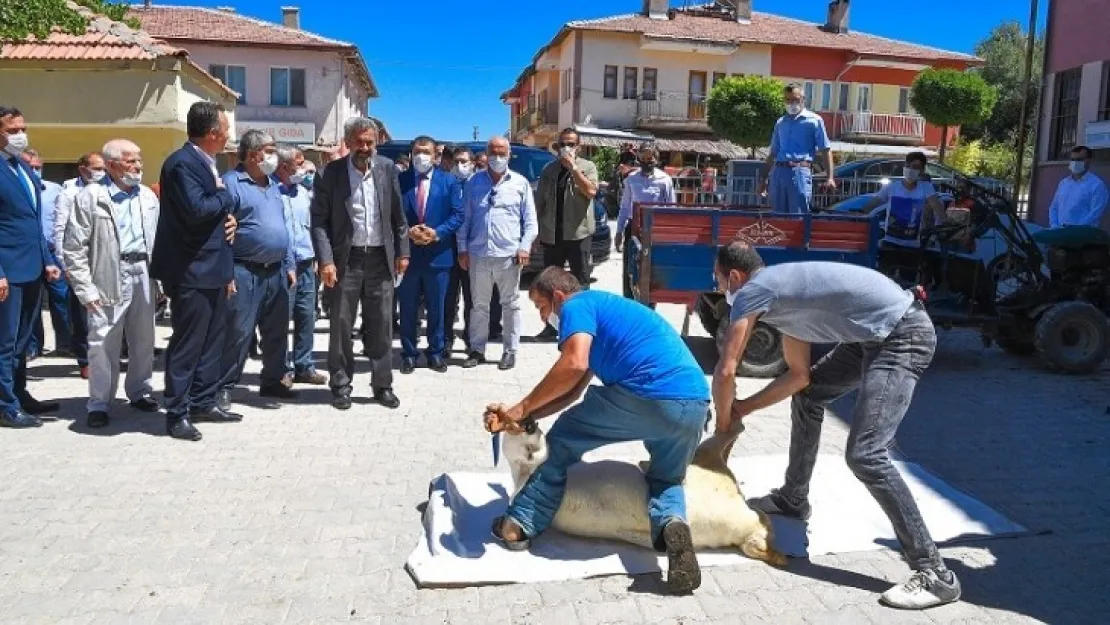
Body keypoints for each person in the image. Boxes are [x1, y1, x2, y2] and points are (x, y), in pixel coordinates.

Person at [711, 241, 960, 610]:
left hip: (901, 335)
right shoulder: (782, 298)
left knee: (866, 455)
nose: (718, 290)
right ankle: (793, 499)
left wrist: (722, 429)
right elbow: (799, 379)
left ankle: (936, 574)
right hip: (872, 335)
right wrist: (742, 410)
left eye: (718, 281)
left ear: (735, 276)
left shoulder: (753, 291)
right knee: (809, 399)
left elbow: (727, 368)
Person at [484, 267, 710, 595]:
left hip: (647, 394)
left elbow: (573, 364)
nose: (543, 316)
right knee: (666, 479)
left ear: (558, 296)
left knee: (560, 443)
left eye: (541, 307)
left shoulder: (578, 306)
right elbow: (572, 390)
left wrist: (520, 407)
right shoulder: (607, 314)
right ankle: (673, 524)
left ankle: (517, 525)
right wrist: (527, 417)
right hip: (694, 405)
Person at [151, 101, 240, 442]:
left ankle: (204, 401)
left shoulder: (206, 162)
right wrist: (226, 199)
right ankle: (177, 412)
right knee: (188, 343)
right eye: (225, 130)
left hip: (215, 268)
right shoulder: (182, 164)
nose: (228, 135)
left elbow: (212, 215)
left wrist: (227, 218)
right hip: (191, 270)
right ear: (212, 133)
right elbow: (197, 210)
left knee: (213, 340)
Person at [311, 116, 409, 411]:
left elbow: (398, 218)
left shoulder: (387, 169)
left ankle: (382, 385)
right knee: (341, 323)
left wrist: (402, 252)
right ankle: (341, 385)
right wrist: (326, 260)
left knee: (381, 324)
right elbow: (319, 222)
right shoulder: (331, 173)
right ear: (349, 142)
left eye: (370, 142)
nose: (365, 147)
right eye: (359, 142)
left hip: (380, 257)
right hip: (346, 260)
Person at [63, 139, 160, 429]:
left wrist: (163, 282)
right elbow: (74, 247)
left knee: (144, 338)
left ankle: (140, 391)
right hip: (108, 272)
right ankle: (100, 402)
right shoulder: (91, 196)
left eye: (139, 160)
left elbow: (159, 239)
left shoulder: (147, 196)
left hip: (144, 270)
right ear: (112, 164)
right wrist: (85, 288)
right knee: (103, 341)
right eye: (131, 161)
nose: (138, 166)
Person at [214, 130, 299, 410]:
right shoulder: (230, 184)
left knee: (276, 331)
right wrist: (226, 273)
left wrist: (289, 264)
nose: (275, 156)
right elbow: (220, 233)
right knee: (239, 331)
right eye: (270, 150)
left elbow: (282, 227)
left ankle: (273, 380)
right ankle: (224, 387)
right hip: (244, 270)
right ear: (253, 155)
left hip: (276, 271)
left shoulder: (274, 185)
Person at [0, 105, 63, 428]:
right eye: (12, 130)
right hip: (8, 271)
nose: (20, 135)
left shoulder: (21, 168)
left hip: (32, 267)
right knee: (5, 341)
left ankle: (19, 394)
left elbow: (32, 220)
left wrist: (48, 261)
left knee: (23, 340)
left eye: (22, 128)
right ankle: (5, 405)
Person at [457, 137, 537, 371]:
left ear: (509, 155)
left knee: (510, 304)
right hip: (478, 254)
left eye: (502, 153)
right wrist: (462, 248)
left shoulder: (520, 184)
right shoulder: (473, 183)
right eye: (493, 152)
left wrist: (524, 246)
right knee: (478, 305)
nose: (497, 157)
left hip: (509, 256)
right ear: (486, 153)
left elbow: (530, 222)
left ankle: (510, 350)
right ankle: (477, 349)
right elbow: (465, 220)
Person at [397, 136, 464, 373]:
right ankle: (408, 352)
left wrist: (436, 233)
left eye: (426, 152)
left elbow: (458, 215)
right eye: (416, 151)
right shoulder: (399, 180)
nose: (420, 156)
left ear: (436, 155)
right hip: (408, 256)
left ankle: (435, 352)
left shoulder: (449, 182)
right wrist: (409, 232)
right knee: (408, 307)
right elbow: (392, 214)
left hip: (439, 255)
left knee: (438, 307)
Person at [533, 128, 599, 342]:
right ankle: (551, 327)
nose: (566, 148)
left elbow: (590, 191)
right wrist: (535, 234)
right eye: (562, 144)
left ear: (578, 146)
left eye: (570, 144)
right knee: (550, 283)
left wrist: (573, 169)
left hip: (578, 234)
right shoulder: (549, 170)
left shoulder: (588, 167)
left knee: (580, 282)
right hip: (552, 235)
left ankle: (583, 328)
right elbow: (539, 203)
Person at [22, 149, 82, 370]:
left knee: (61, 298)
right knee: (32, 303)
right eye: (31, 167)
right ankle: (32, 346)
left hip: (53, 253)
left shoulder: (56, 190)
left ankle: (65, 343)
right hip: (30, 253)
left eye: (38, 167)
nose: (35, 171)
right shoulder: (19, 188)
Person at [276, 147, 326, 385]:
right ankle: (282, 370)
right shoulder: (271, 192)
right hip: (283, 266)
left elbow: (313, 227)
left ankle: (304, 365)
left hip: (307, 264)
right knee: (280, 319)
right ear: (284, 166)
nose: (304, 169)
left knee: (307, 316)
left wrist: (317, 258)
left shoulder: (304, 193)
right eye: (299, 164)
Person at [445, 146, 502, 351]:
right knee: (448, 297)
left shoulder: (480, 186)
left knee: (474, 298)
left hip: (474, 251)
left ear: (472, 164)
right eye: (457, 161)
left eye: (465, 162)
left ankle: (472, 339)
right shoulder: (445, 184)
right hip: (448, 250)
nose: (460, 166)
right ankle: (446, 339)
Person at [758, 84, 836, 214]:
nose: (792, 103)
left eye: (795, 99)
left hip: (800, 171)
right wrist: (763, 179)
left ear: (803, 99)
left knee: (798, 217)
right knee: (777, 218)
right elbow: (773, 153)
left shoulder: (815, 120)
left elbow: (825, 149)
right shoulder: (780, 123)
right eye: (788, 100)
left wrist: (830, 177)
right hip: (779, 173)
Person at [856, 151, 948, 248]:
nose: (910, 170)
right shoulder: (892, 187)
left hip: (913, 245)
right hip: (890, 243)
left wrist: (946, 223)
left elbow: (936, 206)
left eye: (915, 167)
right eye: (908, 166)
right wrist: (859, 213)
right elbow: (875, 202)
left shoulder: (925, 188)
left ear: (922, 170)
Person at [615, 145, 675, 253]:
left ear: (655, 160)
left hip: (656, 228)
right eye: (643, 159)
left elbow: (671, 207)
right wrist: (619, 231)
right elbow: (624, 207)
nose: (646, 162)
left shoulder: (665, 180)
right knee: (631, 264)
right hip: (634, 227)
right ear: (639, 160)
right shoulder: (631, 179)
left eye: (649, 159)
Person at [1048, 145, 1108, 229]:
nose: (1075, 162)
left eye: (1079, 159)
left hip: (1083, 237)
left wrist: (1075, 230)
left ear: (1089, 161)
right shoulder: (1064, 183)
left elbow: (1095, 213)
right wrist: (1054, 226)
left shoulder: (1097, 185)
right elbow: (1053, 208)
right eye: (1073, 159)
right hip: (1060, 235)